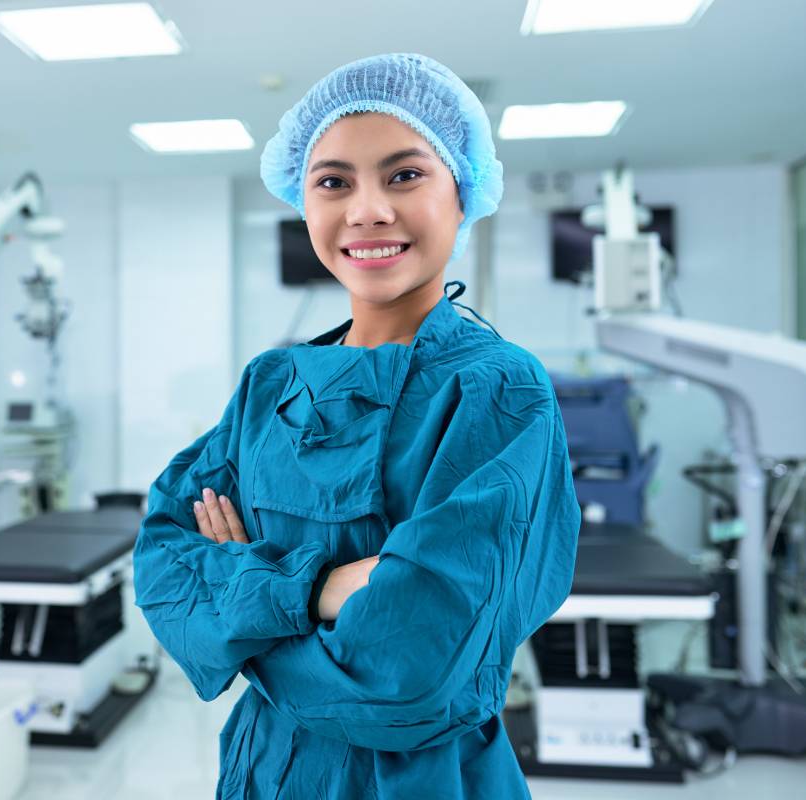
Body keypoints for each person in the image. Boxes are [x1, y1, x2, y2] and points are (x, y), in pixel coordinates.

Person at [132, 53, 580, 799]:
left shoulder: (497, 391)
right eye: (334, 181)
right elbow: (163, 566)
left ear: (462, 194)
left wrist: (243, 621)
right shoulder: (269, 385)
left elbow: (412, 676)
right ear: (303, 202)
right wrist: (322, 591)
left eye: (404, 175)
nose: (367, 210)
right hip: (262, 773)